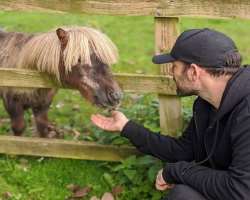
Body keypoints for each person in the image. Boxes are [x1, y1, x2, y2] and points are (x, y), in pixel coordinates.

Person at [91, 28, 250, 200]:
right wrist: (126, 127)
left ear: (193, 72)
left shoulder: (246, 112)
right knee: (182, 195)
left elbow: (241, 189)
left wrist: (177, 171)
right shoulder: (206, 103)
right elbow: (183, 151)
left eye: (174, 66)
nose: (170, 72)